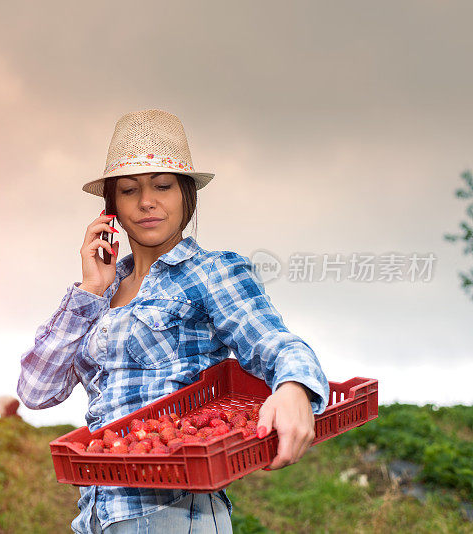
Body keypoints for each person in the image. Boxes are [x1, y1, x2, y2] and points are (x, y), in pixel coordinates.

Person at [17, 109, 330, 534]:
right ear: (112, 209)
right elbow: (36, 391)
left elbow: (274, 341)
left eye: (162, 186)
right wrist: (90, 290)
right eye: (129, 190)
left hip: (176, 513)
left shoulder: (212, 272)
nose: (146, 201)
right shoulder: (99, 294)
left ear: (186, 195)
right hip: (95, 517)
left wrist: (293, 386)